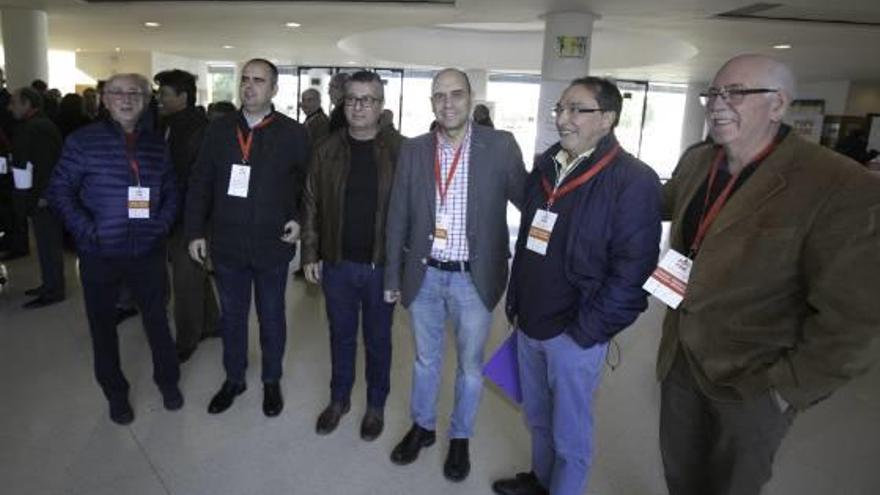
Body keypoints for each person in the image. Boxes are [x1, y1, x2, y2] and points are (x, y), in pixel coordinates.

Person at [658, 54, 880, 495]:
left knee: (732, 485)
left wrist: (786, 390)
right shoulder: (699, 161)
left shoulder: (838, 184)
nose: (718, 104)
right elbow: (657, 210)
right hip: (681, 357)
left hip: (755, 378)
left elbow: (857, 318)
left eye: (736, 93)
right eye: (714, 93)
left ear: (778, 105)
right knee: (681, 474)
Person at [492, 77, 662, 495]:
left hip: (575, 329)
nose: (562, 119)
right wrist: (515, 303)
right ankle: (541, 479)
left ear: (607, 119)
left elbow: (633, 273)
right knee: (536, 415)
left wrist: (586, 332)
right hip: (530, 319)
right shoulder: (548, 164)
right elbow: (530, 239)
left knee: (570, 434)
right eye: (560, 109)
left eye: (576, 110)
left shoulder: (633, 179)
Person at [385, 68, 527, 482]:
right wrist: (392, 276)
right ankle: (423, 427)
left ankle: (460, 436)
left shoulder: (500, 146)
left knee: (469, 366)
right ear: (431, 103)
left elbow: (530, 203)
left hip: (474, 277)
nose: (448, 103)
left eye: (456, 94)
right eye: (439, 96)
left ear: (471, 98)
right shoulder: (413, 149)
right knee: (426, 360)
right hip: (424, 275)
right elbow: (397, 217)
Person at [47, 73, 181, 425]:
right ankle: (116, 394)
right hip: (100, 253)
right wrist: (89, 232)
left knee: (157, 320)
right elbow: (60, 190)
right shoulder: (82, 141)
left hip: (148, 251)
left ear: (145, 100)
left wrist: (161, 225)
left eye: (135, 93)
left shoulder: (155, 143)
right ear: (104, 100)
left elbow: (171, 191)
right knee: (103, 326)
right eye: (117, 92)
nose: (126, 98)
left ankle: (168, 382)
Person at [185, 58, 310, 417]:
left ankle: (271, 379)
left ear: (274, 89)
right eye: (245, 80)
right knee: (234, 316)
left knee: (271, 316)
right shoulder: (219, 129)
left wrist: (300, 219)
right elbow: (200, 182)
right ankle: (234, 379)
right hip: (227, 245)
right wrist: (195, 230)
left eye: (259, 81)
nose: (249, 87)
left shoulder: (292, 133)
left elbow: (308, 185)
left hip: (272, 244)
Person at [302, 70, 403, 441]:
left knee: (378, 340)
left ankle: (376, 404)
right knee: (341, 336)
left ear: (381, 106)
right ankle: (339, 399)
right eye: (352, 99)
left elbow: (412, 213)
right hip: (337, 264)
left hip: (381, 267)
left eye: (368, 99)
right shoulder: (325, 150)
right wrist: (310, 253)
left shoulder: (401, 151)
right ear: (343, 103)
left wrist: (402, 269)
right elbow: (310, 203)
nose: (359, 106)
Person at [154, 69, 220, 363]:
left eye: (165, 93)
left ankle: (187, 339)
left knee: (185, 278)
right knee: (194, 272)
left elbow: (195, 179)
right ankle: (211, 323)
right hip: (172, 211)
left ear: (182, 97)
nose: (160, 98)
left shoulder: (198, 129)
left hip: (190, 215)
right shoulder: (168, 124)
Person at [8, 87, 65, 308]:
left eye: (14, 102)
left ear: (28, 104)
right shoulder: (33, 125)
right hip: (38, 195)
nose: (10, 107)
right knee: (44, 243)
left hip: (44, 197)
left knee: (49, 244)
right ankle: (49, 284)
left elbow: (46, 165)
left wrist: (44, 195)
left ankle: (53, 290)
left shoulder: (38, 127)